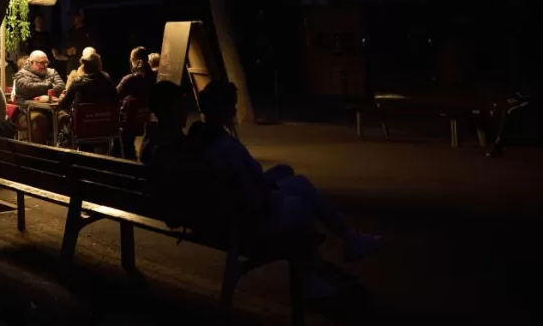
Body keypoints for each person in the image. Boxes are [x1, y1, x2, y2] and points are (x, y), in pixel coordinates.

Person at [198, 82, 381, 298]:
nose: (235, 111)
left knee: (294, 179)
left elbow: (239, 183)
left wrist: (268, 180)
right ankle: (312, 274)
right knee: (300, 203)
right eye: (232, 106)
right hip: (247, 221)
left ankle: (347, 240)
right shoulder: (226, 147)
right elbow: (251, 196)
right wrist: (269, 188)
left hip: (228, 214)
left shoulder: (204, 141)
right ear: (221, 109)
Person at [14, 50, 66, 144]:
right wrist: (50, 85)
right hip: (27, 111)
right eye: (41, 63)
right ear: (31, 62)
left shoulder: (52, 72)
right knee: (40, 120)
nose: (45, 65)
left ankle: (61, 147)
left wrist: (45, 95)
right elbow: (28, 90)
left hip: (51, 110)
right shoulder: (21, 74)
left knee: (64, 117)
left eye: (46, 62)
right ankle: (39, 151)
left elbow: (61, 87)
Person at [117, 47, 153, 159]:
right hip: (149, 116)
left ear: (133, 60)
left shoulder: (130, 79)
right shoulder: (155, 76)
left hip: (131, 118)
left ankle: (127, 162)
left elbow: (115, 94)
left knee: (123, 136)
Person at [63, 9, 93, 76]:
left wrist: (77, 50)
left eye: (75, 16)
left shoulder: (88, 32)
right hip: (71, 66)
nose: (72, 18)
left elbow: (92, 47)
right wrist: (66, 51)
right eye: (71, 16)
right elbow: (63, 46)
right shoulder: (69, 32)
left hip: (84, 65)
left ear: (81, 17)